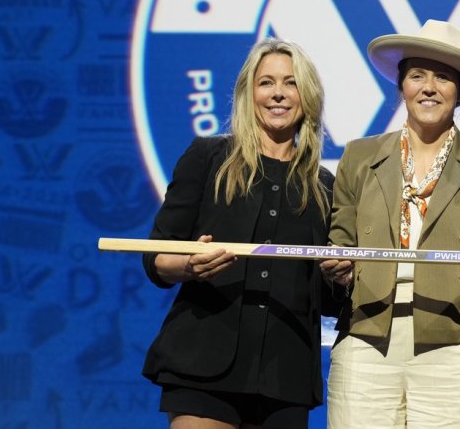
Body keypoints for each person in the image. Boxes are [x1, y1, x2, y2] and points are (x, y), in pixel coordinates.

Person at [320, 20, 460, 429]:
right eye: (417, 75)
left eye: (443, 77)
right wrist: (339, 270)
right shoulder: (358, 157)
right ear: (402, 85)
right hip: (365, 341)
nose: (429, 88)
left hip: (454, 344)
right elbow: (340, 243)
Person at [141, 39, 335, 429]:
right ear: (249, 94)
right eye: (266, 82)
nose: (278, 93)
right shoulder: (207, 158)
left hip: (285, 374)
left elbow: (328, 298)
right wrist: (189, 266)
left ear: (308, 97)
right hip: (202, 365)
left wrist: (340, 277)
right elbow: (156, 257)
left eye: (291, 83)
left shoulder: (325, 186)